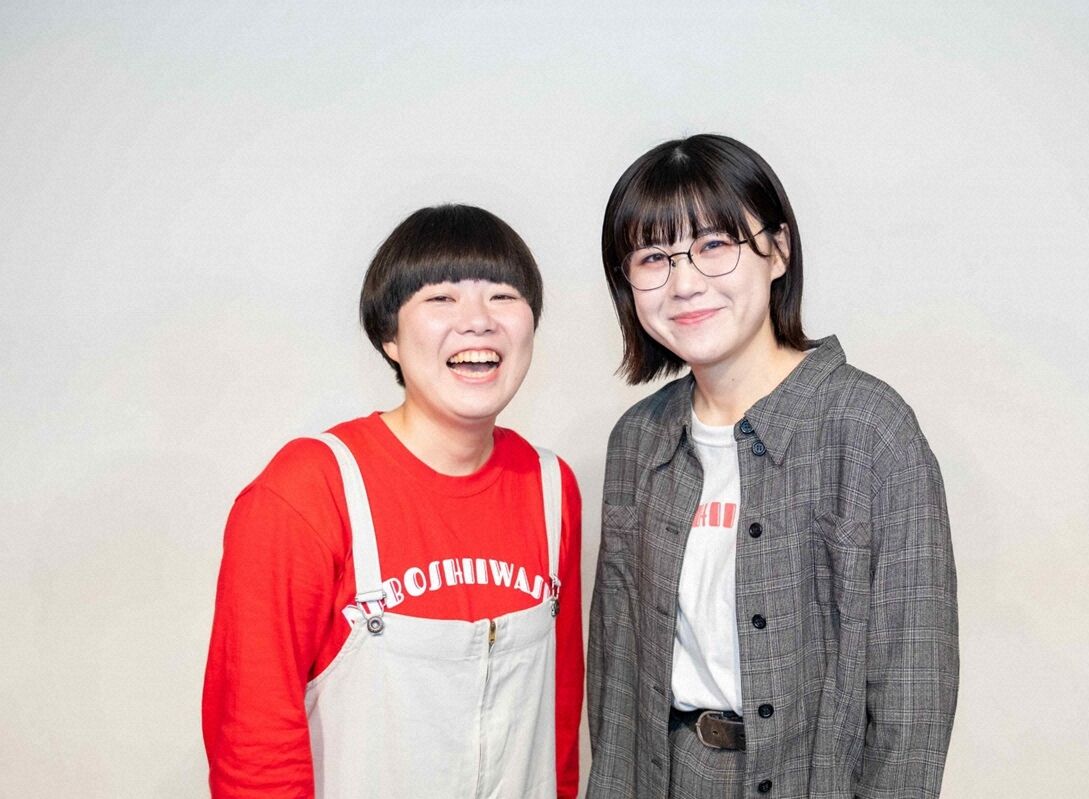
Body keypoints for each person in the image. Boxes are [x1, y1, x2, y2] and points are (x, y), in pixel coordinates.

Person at [586, 134, 958, 799]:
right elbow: (616, 679)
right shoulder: (638, 441)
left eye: (714, 245)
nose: (685, 283)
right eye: (654, 258)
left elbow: (913, 699)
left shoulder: (869, 429)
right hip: (667, 776)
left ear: (778, 250)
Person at [203, 204, 584, 798]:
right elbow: (253, 741)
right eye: (441, 298)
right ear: (390, 337)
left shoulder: (551, 487)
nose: (478, 321)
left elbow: (557, 720)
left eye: (503, 296)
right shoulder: (308, 490)